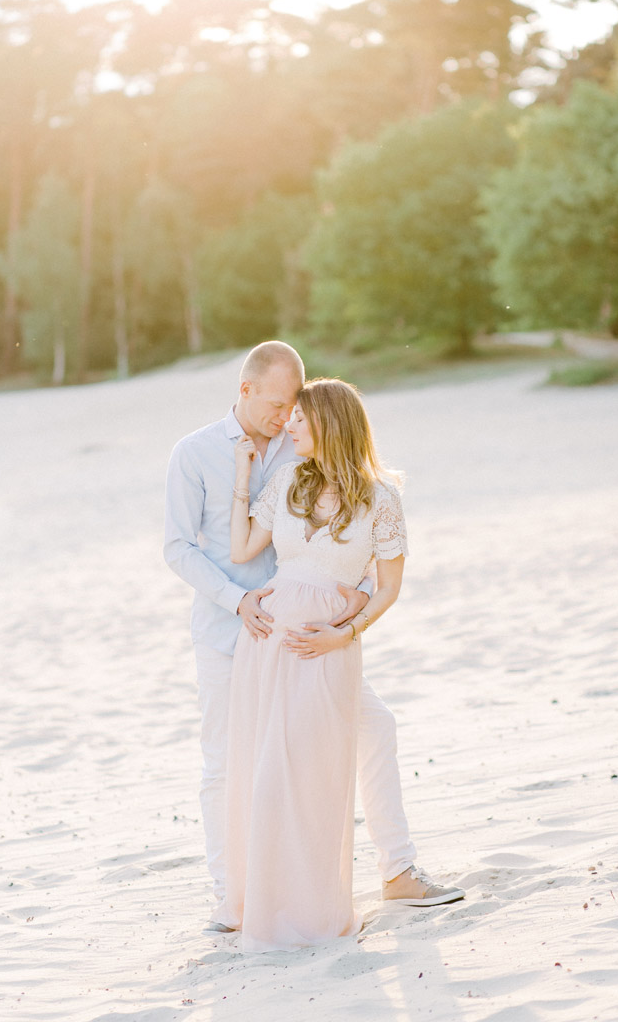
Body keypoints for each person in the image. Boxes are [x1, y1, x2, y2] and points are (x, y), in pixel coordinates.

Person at [163, 342, 463, 934]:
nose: (286, 417)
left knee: (373, 729)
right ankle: (236, 902)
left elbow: (344, 532)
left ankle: (397, 870)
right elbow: (179, 548)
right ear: (245, 390)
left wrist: (349, 599)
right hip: (230, 632)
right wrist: (238, 599)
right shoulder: (195, 453)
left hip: (308, 634)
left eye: (295, 408)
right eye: (279, 406)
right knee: (229, 763)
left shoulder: (303, 455)